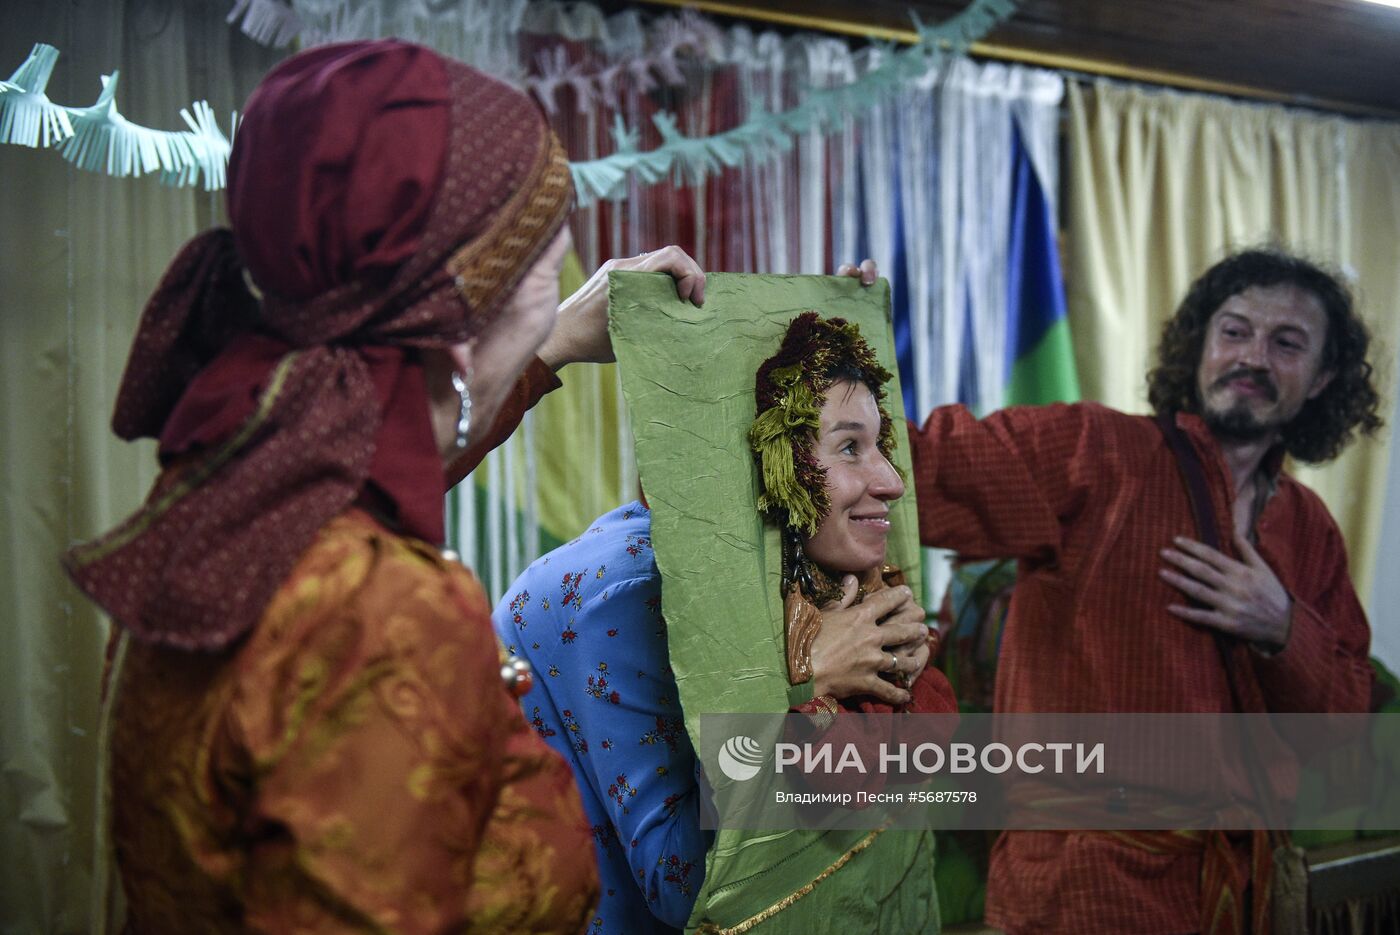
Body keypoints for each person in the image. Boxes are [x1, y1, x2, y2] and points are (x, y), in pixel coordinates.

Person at [62, 40, 703, 933]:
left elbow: (367, 453)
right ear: (459, 309)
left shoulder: (229, 491)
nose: (565, 257)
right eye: (542, 255)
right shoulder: (387, 612)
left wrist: (545, 341)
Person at [851, 248, 1380, 935]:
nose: (1253, 355)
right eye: (1235, 330)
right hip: (1083, 883)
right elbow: (922, 470)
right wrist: (843, 341)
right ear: (1199, 346)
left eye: (1287, 343)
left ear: (1322, 378)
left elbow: (1344, 721)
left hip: (1239, 890)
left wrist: (1281, 625)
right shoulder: (1099, 452)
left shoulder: (1311, 529)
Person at [493, 311, 956, 934]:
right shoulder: (629, 593)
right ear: (761, 460)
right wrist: (804, 680)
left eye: (880, 445)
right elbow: (685, 886)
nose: (893, 481)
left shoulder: (801, 573)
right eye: (850, 447)